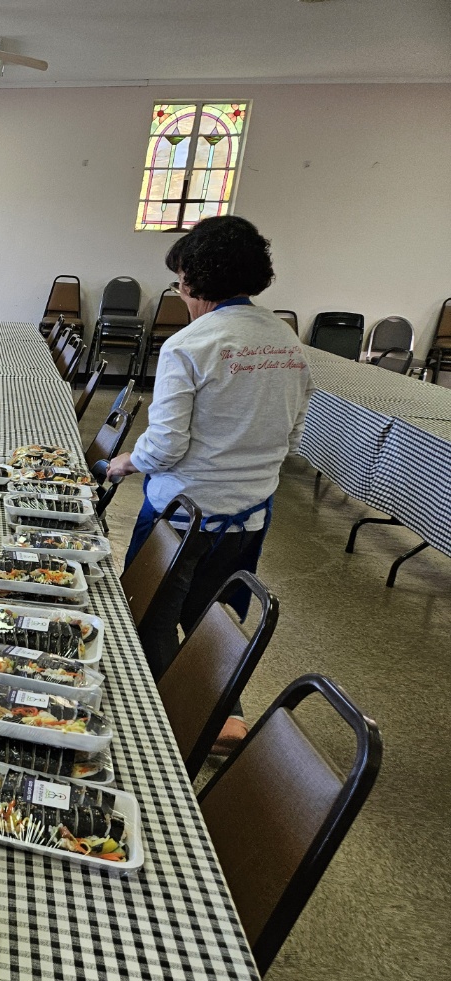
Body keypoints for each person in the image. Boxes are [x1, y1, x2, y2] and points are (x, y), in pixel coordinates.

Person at [106, 215, 313, 751]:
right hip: (248, 515)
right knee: (213, 618)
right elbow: (292, 438)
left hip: (183, 516)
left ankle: (162, 725)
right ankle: (225, 718)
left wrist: (128, 461)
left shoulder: (189, 345)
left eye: (180, 283)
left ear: (195, 281)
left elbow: (165, 447)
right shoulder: (288, 343)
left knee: (151, 615)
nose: (181, 294)